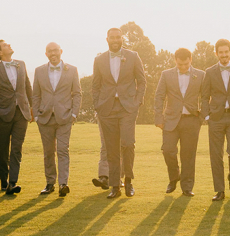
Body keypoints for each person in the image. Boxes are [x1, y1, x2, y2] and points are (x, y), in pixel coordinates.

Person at [92, 27, 147, 199]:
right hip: (107, 109)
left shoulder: (133, 56)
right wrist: (98, 106)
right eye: (112, 37)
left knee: (128, 144)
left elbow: (142, 81)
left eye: (118, 37)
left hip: (127, 109)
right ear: (106, 39)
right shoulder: (99, 59)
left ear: (122, 38)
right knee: (111, 149)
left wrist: (137, 102)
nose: (115, 40)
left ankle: (129, 181)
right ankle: (115, 186)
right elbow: (95, 85)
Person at [0, 39, 33, 195]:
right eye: (5, 45)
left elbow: (27, 87)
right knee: (2, 150)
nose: (9, 45)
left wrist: (32, 108)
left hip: (21, 114)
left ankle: (13, 182)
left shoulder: (21, 64)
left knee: (17, 148)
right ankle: (4, 182)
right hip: (2, 114)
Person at [33, 42, 82, 197]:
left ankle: (63, 184)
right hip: (45, 118)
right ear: (46, 53)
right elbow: (36, 94)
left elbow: (77, 93)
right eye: (49, 51)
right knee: (48, 152)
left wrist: (74, 114)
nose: (53, 54)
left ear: (61, 51)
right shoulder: (39, 71)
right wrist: (36, 115)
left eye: (55, 51)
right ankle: (49, 183)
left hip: (65, 117)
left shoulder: (72, 70)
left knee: (62, 150)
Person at [154, 48, 205, 197]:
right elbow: (159, 96)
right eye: (180, 64)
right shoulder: (166, 75)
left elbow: (206, 96)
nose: (183, 67)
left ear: (191, 60)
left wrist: (202, 116)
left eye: (186, 64)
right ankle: (174, 177)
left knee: (188, 155)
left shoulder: (201, 75)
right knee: (168, 150)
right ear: (175, 60)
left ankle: (187, 187)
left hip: (192, 120)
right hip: (170, 120)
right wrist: (159, 118)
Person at [201, 38, 230, 201]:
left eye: (226, 52)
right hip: (216, 118)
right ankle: (219, 190)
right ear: (216, 54)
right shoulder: (209, 72)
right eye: (220, 53)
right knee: (216, 154)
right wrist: (206, 115)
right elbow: (204, 95)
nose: (224, 55)